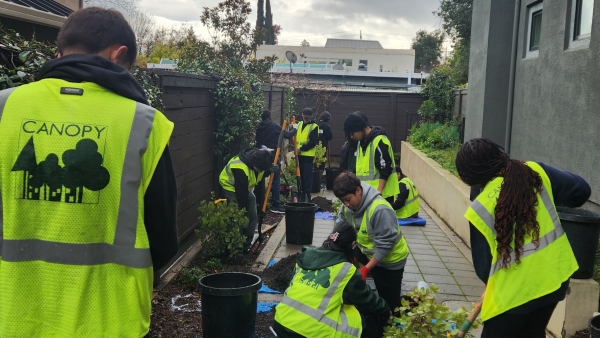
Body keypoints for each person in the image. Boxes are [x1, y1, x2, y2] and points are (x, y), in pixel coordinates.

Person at [0, 7, 179, 337]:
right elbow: (165, 240)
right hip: (110, 321)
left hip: (14, 318)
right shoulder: (145, 125)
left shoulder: (4, 108)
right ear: (118, 55)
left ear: (59, 53)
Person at [456, 138, 590, 338]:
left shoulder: (480, 208)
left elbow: (484, 270)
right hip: (554, 279)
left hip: (514, 297)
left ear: (472, 179)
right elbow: (581, 191)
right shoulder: (534, 171)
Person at [273, 221, 390, 338]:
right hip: (307, 333)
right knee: (358, 322)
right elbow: (368, 300)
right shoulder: (346, 271)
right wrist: (386, 311)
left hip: (280, 323)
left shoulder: (305, 258)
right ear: (352, 244)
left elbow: (290, 288)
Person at [333, 172, 408, 313]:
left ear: (358, 190)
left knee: (390, 306)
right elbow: (341, 230)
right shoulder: (347, 207)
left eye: (348, 199)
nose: (346, 204)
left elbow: (385, 246)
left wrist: (366, 269)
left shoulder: (380, 209)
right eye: (343, 201)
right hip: (366, 250)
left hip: (391, 260)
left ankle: (410, 303)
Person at [219, 147, 275, 254]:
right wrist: (244, 212)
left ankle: (247, 245)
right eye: (261, 170)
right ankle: (236, 248)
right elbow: (242, 197)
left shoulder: (260, 159)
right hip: (231, 187)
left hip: (246, 187)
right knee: (237, 218)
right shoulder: (240, 167)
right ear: (255, 165)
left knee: (252, 215)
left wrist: (269, 170)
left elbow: (261, 174)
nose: (262, 172)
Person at [343, 112, 399, 204]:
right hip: (368, 195)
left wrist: (378, 192)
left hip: (381, 196)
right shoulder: (361, 144)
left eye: (352, 133)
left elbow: (385, 168)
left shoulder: (378, 141)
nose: (351, 137)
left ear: (361, 129)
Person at [286, 108, 319, 201]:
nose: (306, 119)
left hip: (308, 156)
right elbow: (293, 131)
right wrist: (291, 128)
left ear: (311, 117)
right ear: (302, 115)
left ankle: (307, 195)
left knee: (307, 177)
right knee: (299, 176)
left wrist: (301, 149)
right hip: (299, 156)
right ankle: (301, 193)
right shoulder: (299, 124)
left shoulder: (314, 126)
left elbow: (313, 142)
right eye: (305, 117)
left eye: (308, 118)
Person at [255, 109, 285, 213]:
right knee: (275, 180)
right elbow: (288, 135)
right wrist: (293, 130)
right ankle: (275, 205)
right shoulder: (274, 126)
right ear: (270, 117)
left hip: (259, 157)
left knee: (259, 179)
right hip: (273, 157)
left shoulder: (258, 127)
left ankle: (259, 203)